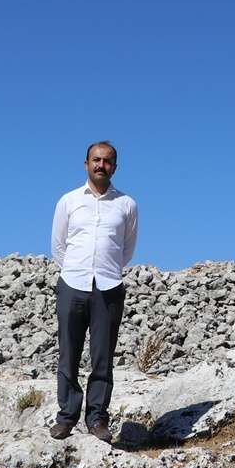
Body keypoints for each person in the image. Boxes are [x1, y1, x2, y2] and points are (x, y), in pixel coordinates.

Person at [49, 141, 139, 442]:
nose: (101, 165)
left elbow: (126, 249)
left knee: (103, 356)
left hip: (109, 287)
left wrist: (106, 270)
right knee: (68, 354)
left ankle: (97, 418)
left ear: (115, 167)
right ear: (86, 164)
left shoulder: (127, 205)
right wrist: (75, 271)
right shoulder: (68, 201)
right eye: (96, 160)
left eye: (107, 161)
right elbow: (58, 245)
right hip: (72, 284)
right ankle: (67, 417)